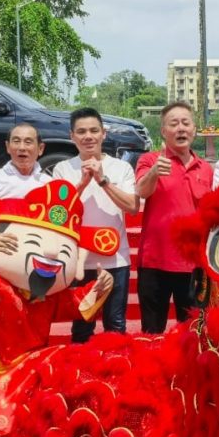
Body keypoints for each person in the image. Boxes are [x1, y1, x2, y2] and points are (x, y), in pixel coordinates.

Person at [0, 179, 115, 437]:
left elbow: (79, 305)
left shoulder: (49, 296)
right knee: (4, 431)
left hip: (30, 368)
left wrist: (100, 286)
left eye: (65, 252)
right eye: (34, 241)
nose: (51, 254)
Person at [53, 107, 139, 342]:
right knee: (81, 326)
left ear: (103, 134)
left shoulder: (121, 168)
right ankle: (79, 377)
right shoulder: (62, 169)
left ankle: (115, 376)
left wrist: (102, 180)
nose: (88, 136)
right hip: (78, 261)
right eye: (81, 131)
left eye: (93, 130)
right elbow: (57, 215)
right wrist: (81, 184)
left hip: (115, 258)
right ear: (72, 136)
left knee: (115, 324)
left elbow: (132, 206)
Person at [135, 102, 214, 333]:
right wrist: (153, 172)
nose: (180, 128)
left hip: (192, 265)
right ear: (163, 131)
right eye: (174, 124)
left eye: (185, 123)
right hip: (155, 262)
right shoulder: (150, 160)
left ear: (194, 129)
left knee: (192, 332)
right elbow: (141, 191)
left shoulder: (205, 169)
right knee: (152, 331)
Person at [0, 124, 51, 199]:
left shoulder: (49, 184)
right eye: (16, 141)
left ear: (40, 148)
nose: (22, 147)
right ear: (8, 147)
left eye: (28, 142)